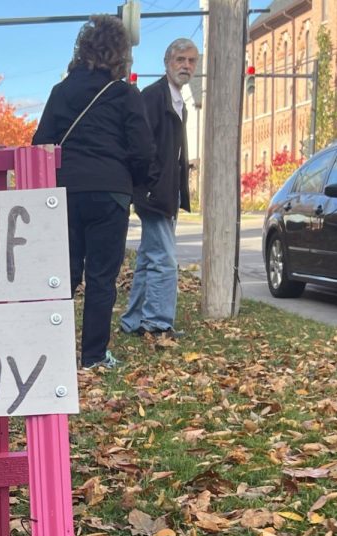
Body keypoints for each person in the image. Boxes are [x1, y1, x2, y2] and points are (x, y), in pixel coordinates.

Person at [32, 16, 154, 370]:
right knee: (102, 277)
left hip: (64, 191)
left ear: (82, 49)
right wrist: (134, 183)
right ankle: (94, 356)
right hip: (110, 191)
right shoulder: (125, 94)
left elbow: (41, 143)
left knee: (63, 274)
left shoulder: (61, 92)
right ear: (120, 54)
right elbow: (142, 150)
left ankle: (49, 352)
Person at [121, 38, 198, 340]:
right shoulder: (153, 97)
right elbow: (140, 146)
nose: (186, 66)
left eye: (191, 61)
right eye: (180, 59)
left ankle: (133, 320)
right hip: (154, 193)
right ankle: (158, 323)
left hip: (167, 192)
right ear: (167, 62)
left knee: (150, 258)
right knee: (165, 260)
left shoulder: (179, 101)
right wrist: (150, 184)